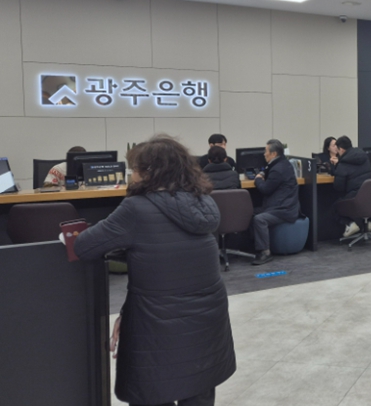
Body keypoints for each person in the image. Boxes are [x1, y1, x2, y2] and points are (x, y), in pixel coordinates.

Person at [73, 136, 236, 406]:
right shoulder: (204, 202)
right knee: (199, 388)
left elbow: (83, 246)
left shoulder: (136, 208)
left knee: (153, 390)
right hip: (207, 320)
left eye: (135, 169)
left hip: (157, 325)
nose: (132, 175)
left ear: (149, 172)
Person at [251, 139, 300, 265]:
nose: (264, 154)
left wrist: (257, 179)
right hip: (281, 205)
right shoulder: (283, 163)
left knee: (259, 219)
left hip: (284, 209)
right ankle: (256, 246)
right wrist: (262, 173)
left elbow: (265, 189)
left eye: (266, 151)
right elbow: (269, 173)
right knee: (250, 212)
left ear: (273, 154)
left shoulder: (278, 169)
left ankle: (265, 252)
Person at [330, 136, 371, 237]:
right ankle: (367, 223)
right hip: (370, 197)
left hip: (356, 198)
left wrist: (337, 168)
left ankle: (350, 224)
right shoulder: (364, 156)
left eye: (338, 150)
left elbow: (338, 187)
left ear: (341, 149)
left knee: (336, 207)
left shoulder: (343, 163)